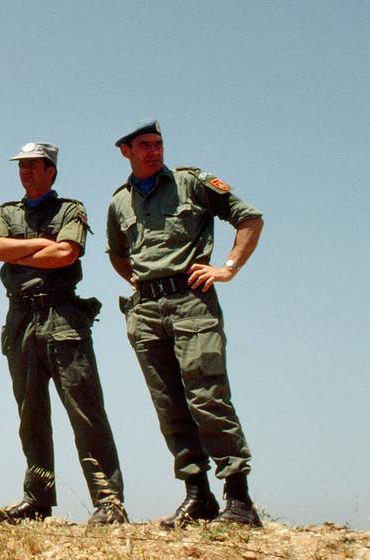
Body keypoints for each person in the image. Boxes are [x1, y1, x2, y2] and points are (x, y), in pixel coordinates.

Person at [105, 120, 266, 528]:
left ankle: (239, 500)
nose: (154, 151)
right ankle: (198, 496)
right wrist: (136, 280)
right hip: (145, 312)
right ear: (125, 150)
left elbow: (249, 219)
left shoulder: (191, 182)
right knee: (170, 408)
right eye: (144, 145)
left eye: (158, 144)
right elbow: (118, 253)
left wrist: (227, 268)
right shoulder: (119, 202)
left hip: (192, 304)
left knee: (208, 398)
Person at [0, 142, 126, 524]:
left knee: (85, 410)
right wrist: (40, 246)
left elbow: (65, 254)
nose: (26, 172)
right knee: (30, 414)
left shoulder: (70, 209)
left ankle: (109, 502)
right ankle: (38, 499)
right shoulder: (7, 211)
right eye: (22, 166)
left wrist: (21, 254)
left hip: (62, 315)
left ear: (51, 171)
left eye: (34, 166)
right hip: (20, 318)